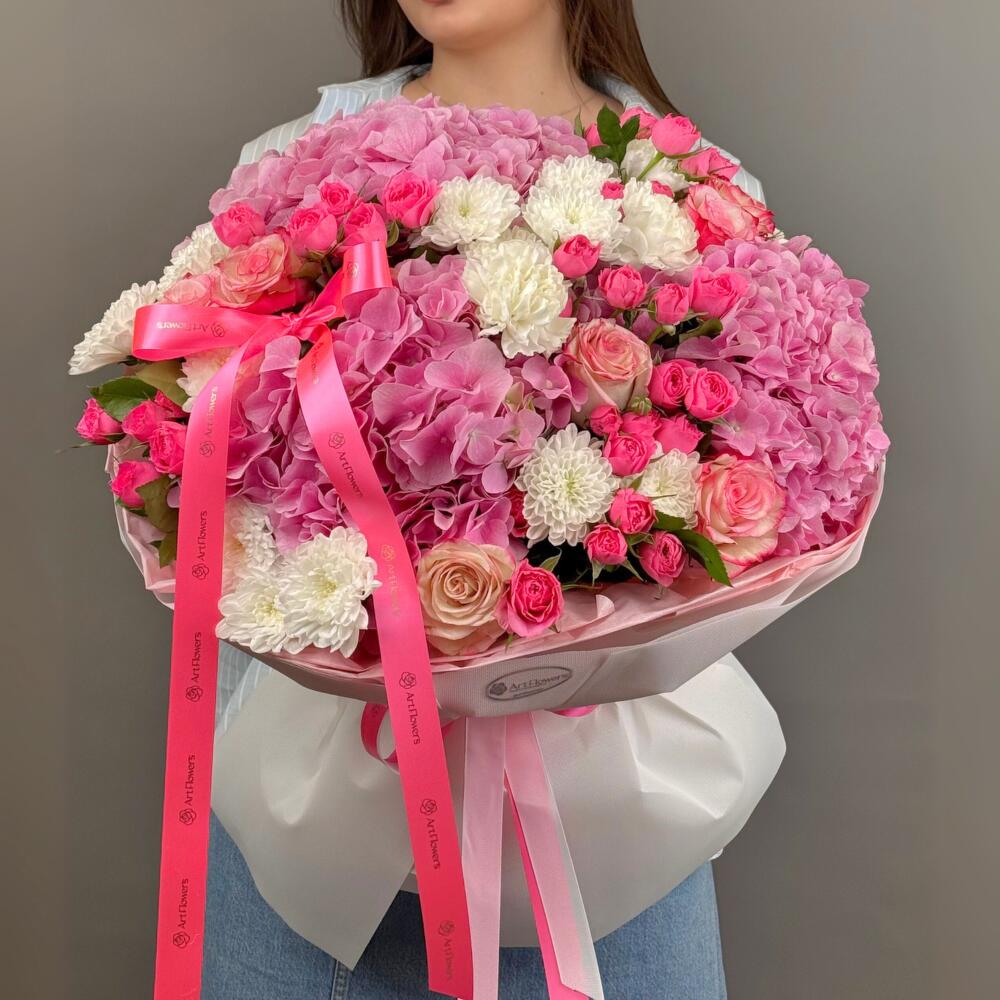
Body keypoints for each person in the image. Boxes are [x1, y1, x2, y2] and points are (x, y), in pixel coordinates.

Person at [204, 2, 782, 997]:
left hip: (612, 842)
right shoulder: (292, 170)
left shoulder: (695, 188)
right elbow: (230, 505)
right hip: (314, 831)